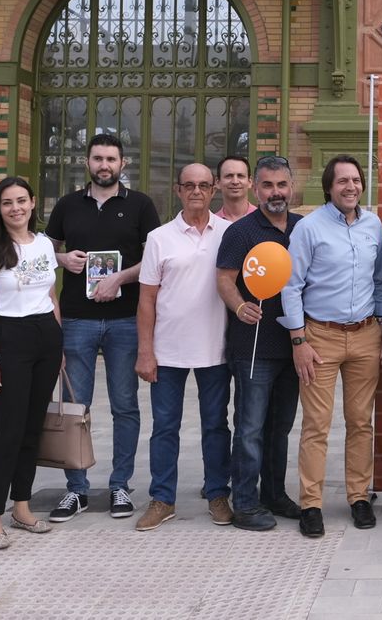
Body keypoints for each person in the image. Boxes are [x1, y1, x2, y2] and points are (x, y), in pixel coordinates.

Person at [45, 132, 162, 523]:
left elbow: (154, 260)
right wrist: (63, 259)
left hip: (126, 320)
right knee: (74, 407)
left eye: (111, 159)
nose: (104, 165)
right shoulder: (67, 205)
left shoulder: (141, 205)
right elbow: (42, 251)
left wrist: (119, 279)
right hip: (76, 319)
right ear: (88, 163)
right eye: (98, 158)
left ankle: (119, 485)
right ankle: (76, 489)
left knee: (125, 405)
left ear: (122, 164)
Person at [281, 155, 382, 538]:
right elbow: (291, 286)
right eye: (342, 181)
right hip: (319, 337)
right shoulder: (309, 228)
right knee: (317, 425)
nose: (351, 187)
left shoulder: (373, 224)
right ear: (329, 187)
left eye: (356, 180)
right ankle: (311, 504)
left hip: (365, 335)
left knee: (361, 422)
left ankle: (359, 497)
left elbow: (381, 280)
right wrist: (298, 339)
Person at [133, 163, 234, 532]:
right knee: (164, 427)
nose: (196, 191)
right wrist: (145, 351)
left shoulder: (229, 233)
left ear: (214, 190)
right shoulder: (159, 238)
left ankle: (218, 494)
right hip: (168, 350)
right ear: (177, 190)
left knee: (216, 426)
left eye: (204, 185)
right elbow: (146, 300)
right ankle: (162, 499)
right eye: (189, 185)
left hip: (215, 348)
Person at [0, 176, 63, 550]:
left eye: (22, 200)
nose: (16, 208)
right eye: (7, 202)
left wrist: (60, 344)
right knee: (8, 431)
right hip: (8, 338)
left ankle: (21, 507)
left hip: (46, 337)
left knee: (32, 429)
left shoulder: (44, 244)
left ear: (33, 202)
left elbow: (51, 295)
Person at [218, 156, 305, 531]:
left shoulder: (302, 228)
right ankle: (245, 504)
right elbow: (224, 279)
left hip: (293, 346)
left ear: (291, 187)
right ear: (256, 189)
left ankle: (274, 494)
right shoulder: (241, 232)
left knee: (279, 428)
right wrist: (239, 307)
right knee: (250, 428)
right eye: (267, 185)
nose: (275, 192)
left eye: (281, 185)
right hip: (253, 346)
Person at [216, 155, 256, 223]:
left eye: (240, 176)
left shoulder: (263, 220)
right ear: (218, 182)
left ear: (250, 182)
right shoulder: (212, 224)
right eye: (229, 176)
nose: (235, 182)